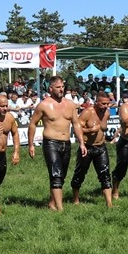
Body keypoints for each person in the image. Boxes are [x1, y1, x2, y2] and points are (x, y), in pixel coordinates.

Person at [27, 77, 85, 211]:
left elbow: (76, 124)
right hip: (51, 143)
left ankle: (52, 203)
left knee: (62, 175)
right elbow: (32, 124)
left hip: (66, 143)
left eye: (62, 87)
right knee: (56, 175)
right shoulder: (44, 105)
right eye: (58, 87)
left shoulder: (70, 104)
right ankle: (60, 208)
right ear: (50, 88)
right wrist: (31, 145)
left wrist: (81, 142)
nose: (61, 89)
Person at [72, 91, 114, 207]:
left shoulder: (107, 113)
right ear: (96, 103)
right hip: (87, 146)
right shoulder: (87, 112)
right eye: (103, 104)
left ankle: (109, 203)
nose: (105, 106)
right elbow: (77, 128)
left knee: (105, 174)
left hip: (101, 146)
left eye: (107, 104)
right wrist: (90, 130)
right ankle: (75, 199)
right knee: (80, 173)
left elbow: (103, 128)